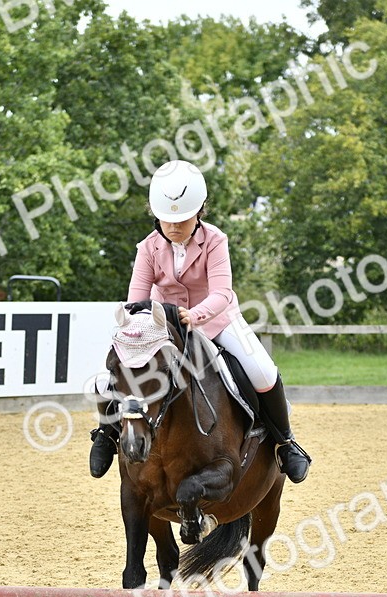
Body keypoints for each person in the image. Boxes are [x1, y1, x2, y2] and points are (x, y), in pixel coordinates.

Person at [89, 159, 312, 483]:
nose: (174, 226)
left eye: (182, 219)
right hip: (162, 326)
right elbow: (136, 298)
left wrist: (194, 315)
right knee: (105, 376)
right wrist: (139, 324)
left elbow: (222, 292)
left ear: (199, 212)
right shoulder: (147, 247)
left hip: (217, 320)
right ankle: (106, 435)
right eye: (167, 220)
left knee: (263, 371)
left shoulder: (215, 240)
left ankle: (285, 444)